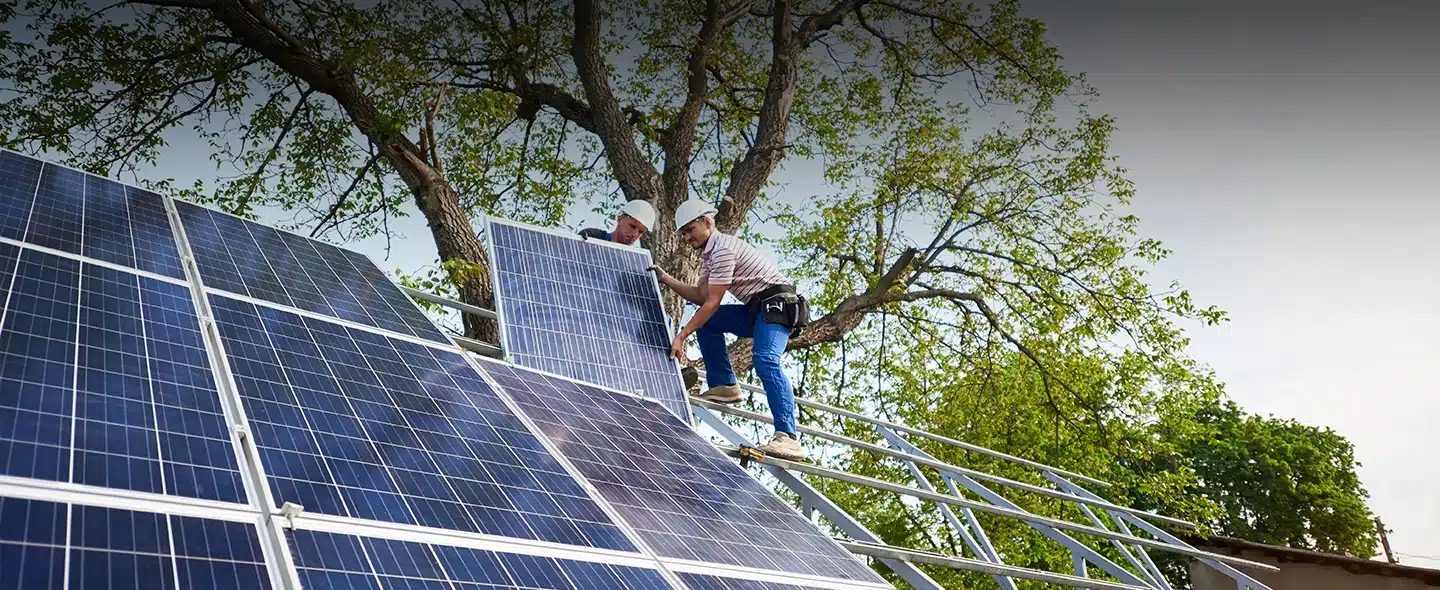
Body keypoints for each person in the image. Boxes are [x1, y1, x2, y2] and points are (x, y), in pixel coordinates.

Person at [650, 199, 810, 460]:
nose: (687, 237)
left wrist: (681, 336)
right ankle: (724, 384)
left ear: (707, 222)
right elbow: (702, 297)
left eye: (690, 229)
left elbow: (712, 303)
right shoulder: (709, 255)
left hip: (777, 307)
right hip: (756, 311)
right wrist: (667, 279)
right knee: (709, 323)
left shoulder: (723, 249)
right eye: (683, 233)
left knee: (766, 360)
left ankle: (788, 438)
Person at [578, 200, 657, 246]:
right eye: (632, 226)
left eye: (640, 232)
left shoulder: (636, 262)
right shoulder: (593, 236)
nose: (635, 234)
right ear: (620, 219)